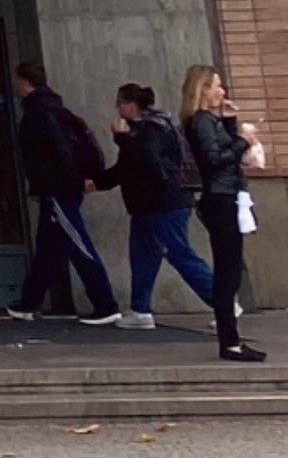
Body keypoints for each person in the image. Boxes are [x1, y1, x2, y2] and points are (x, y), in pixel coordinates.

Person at [115, 76, 225, 338]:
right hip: (148, 204)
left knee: (178, 252)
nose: (117, 110)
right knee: (143, 255)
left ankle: (223, 302)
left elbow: (145, 159)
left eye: (119, 104)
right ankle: (140, 310)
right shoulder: (147, 128)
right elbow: (128, 167)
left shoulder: (151, 128)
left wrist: (121, 138)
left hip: (164, 201)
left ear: (130, 105)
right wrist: (98, 180)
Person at [12, 65, 122, 319]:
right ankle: (30, 301)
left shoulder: (38, 113)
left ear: (26, 82)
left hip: (58, 187)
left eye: (19, 81)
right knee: (49, 246)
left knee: (76, 242)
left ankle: (105, 304)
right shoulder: (56, 109)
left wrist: (75, 180)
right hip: (59, 185)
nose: (16, 86)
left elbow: (59, 152)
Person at [187, 63, 267, 358]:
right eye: (217, 85)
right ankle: (229, 341)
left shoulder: (210, 120)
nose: (222, 91)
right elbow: (216, 159)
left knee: (230, 270)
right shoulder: (201, 121)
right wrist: (243, 140)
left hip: (226, 194)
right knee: (227, 271)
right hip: (221, 197)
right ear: (203, 89)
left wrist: (231, 123)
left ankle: (231, 339)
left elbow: (223, 153)